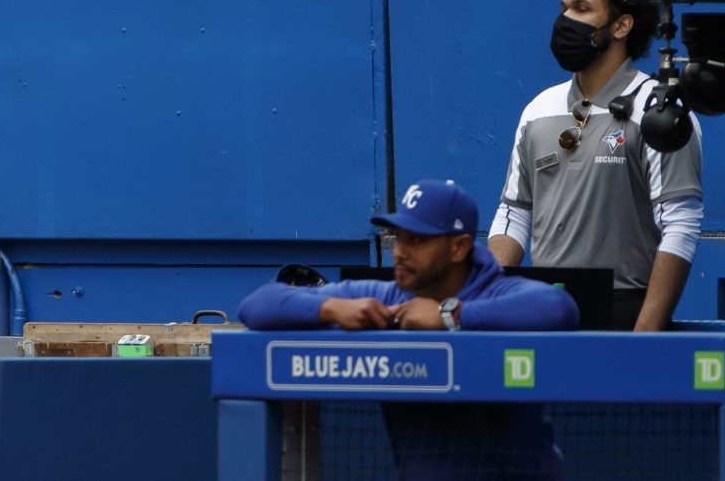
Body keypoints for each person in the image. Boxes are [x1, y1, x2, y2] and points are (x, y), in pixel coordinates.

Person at [237, 182, 577, 476]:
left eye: (416, 240)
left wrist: (451, 315)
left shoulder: (497, 291)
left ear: (458, 247)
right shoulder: (386, 294)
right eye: (398, 238)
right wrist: (330, 307)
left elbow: (557, 308)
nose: (400, 253)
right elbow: (257, 305)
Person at [488, 0, 702, 331]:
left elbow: (680, 225)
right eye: (565, 7)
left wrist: (644, 337)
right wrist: (488, 309)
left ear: (621, 26)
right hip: (545, 309)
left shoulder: (659, 112)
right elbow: (515, 214)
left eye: (582, 9)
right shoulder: (538, 110)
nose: (565, 20)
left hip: (623, 310)